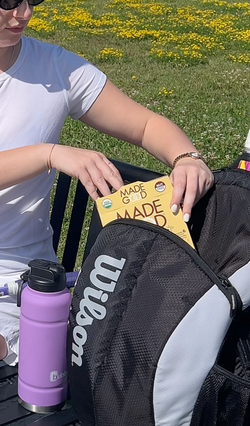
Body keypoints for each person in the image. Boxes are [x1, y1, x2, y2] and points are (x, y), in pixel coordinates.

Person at [0, 0, 214, 365]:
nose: (23, 14)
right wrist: (47, 154)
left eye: (31, 0)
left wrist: (186, 158)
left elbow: (146, 126)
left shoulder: (55, 68)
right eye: (7, 2)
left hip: (26, 289)